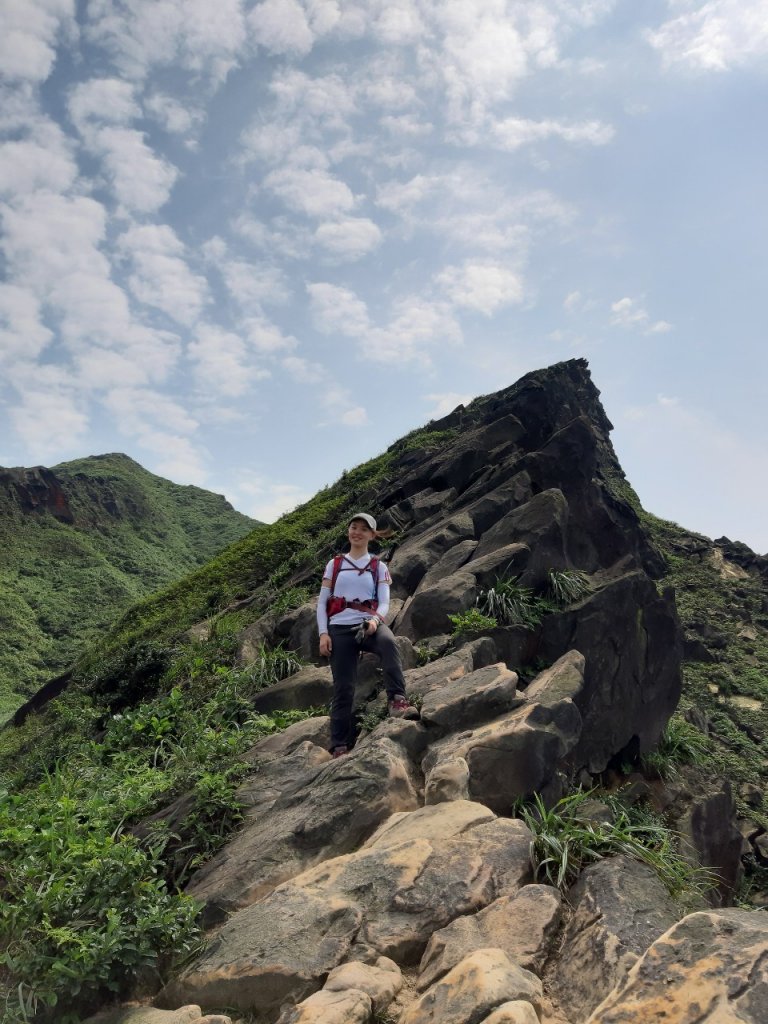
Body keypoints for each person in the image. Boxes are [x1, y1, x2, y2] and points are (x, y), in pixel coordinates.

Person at [317, 512, 417, 757]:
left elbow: (384, 603)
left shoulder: (378, 567)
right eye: (353, 527)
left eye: (363, 529)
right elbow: (322, 603)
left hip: (367, 623)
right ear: (348, 531)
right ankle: (338, 745)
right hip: (339, 628)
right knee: (344, 688)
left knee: (388, 642)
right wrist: (323, 633)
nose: (357, 532)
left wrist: (374, 621)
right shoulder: (335, 564)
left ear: (372, 535)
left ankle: (397, 700)